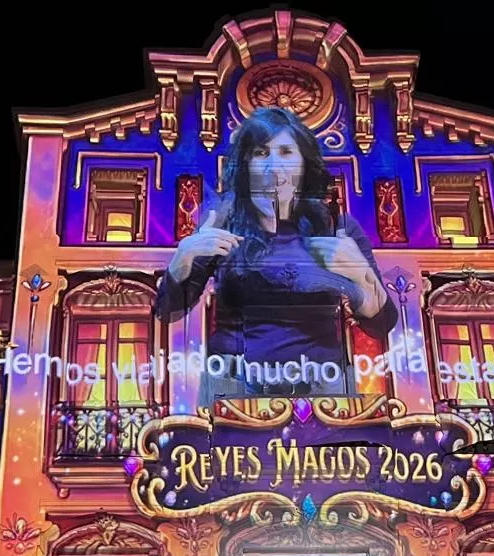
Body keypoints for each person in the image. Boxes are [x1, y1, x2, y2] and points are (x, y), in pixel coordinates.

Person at [156, 106, 398, 398]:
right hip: (234, 392)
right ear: (246, 164)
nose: (274, 166)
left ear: (304, 162)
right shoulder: (222, 222)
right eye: (261, 153)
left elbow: (381, 324)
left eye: (286, 152)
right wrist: (182, 259)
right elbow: (168, 311)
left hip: (323, 391)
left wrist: (361, 276)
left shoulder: (338, 227)